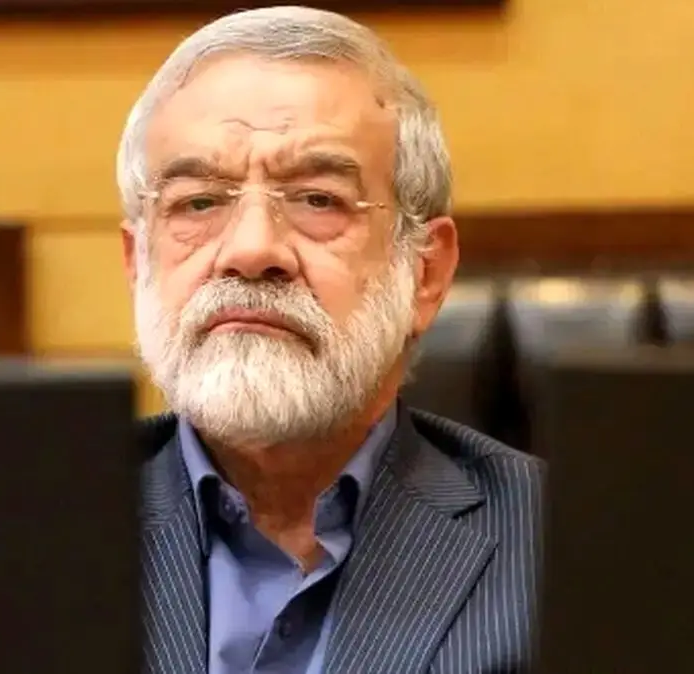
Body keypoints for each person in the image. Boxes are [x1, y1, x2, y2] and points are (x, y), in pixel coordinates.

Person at [118, 6, 543, 673]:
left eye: (318, 199)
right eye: (198, 203)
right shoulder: (18, 534)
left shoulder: (569, 548)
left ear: (426, 273)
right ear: (137, 261)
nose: (251, 250)